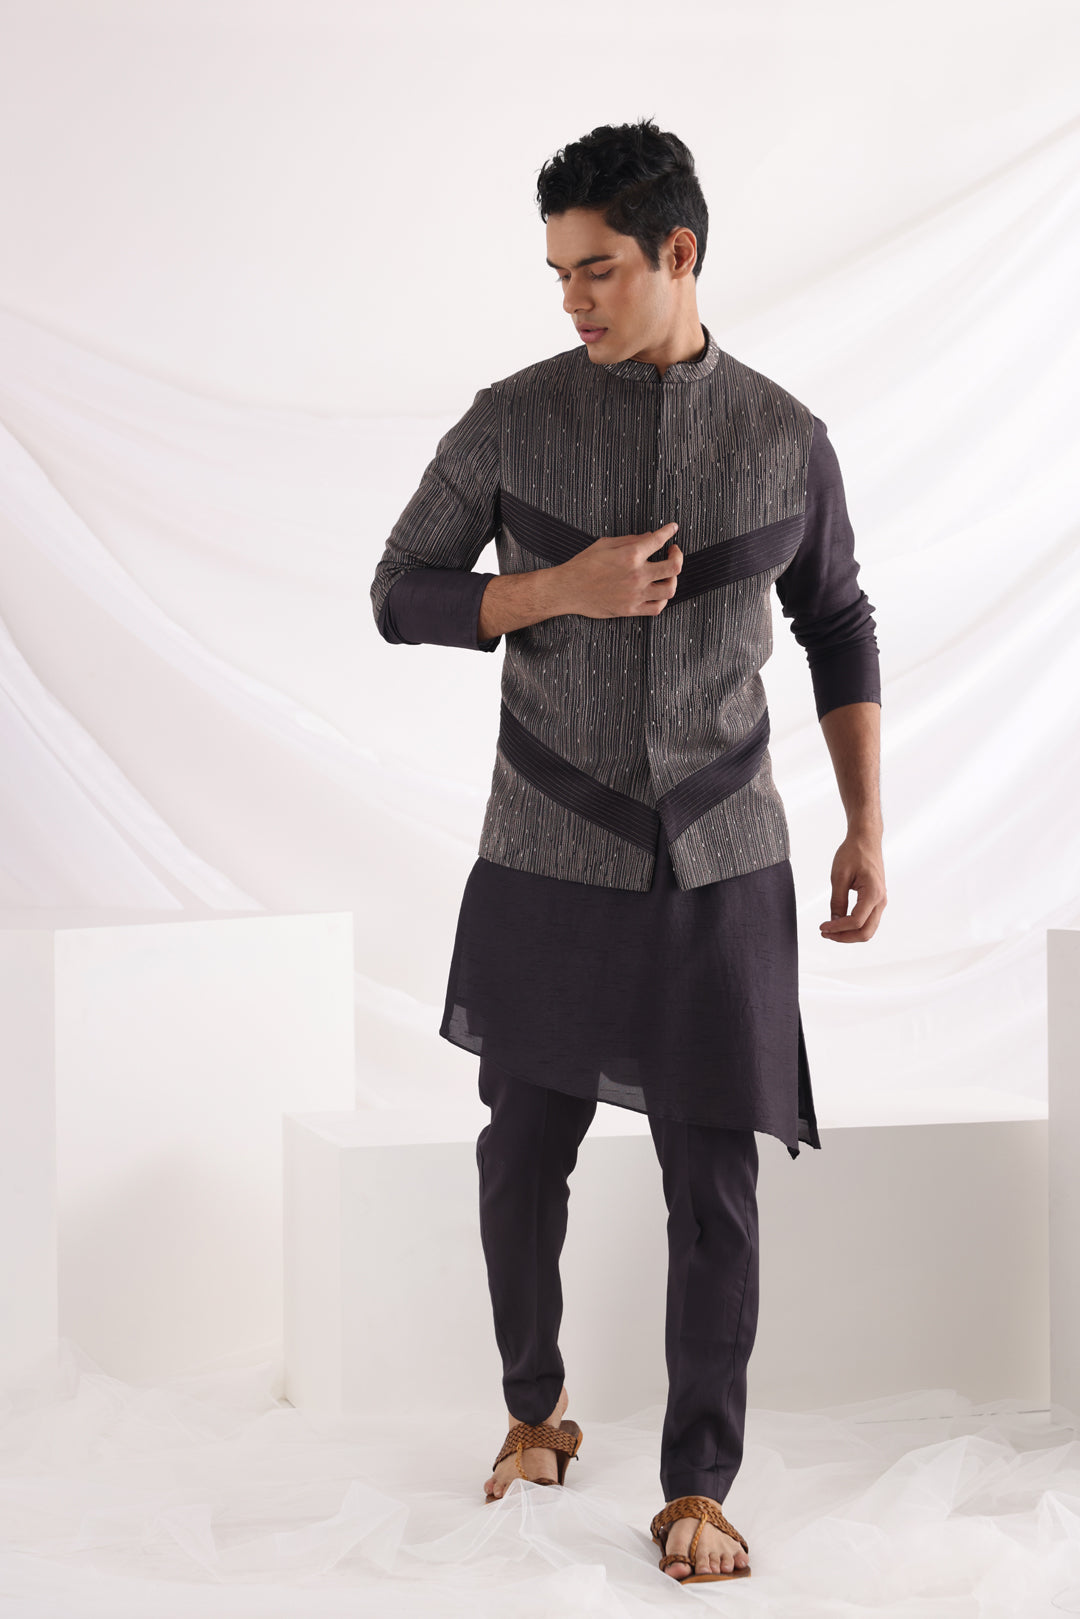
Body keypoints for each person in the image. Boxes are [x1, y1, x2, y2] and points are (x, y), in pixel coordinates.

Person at [370, 118, 886, 1585]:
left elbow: (839, 620)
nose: (573, 299)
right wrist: (556, 589)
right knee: (523, 1152)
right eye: (558, 274)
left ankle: (700, 1487)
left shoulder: (786, 436)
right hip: (546, 843)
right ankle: (534, 1412)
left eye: (597, 269)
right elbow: (399, 592)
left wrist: (866, 821)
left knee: (713, 1178)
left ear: (679, 252)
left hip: (724, 853)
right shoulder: (511, 419)